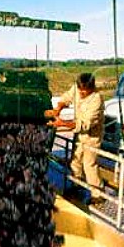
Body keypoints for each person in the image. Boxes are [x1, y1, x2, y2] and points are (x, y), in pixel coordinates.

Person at [46, 73, 105, 205]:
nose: (82, 93)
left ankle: (98, 194)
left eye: (85, 91)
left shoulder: (97, 99)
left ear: (91, 87)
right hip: (79, 134)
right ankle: (76, 184)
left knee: (89, 164)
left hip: (92, 136)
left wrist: (62, 124)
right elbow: (67, 97)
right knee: (75, 161)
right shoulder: (77, 88)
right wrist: (58, 108)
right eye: (80, 90)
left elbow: (85, 124)